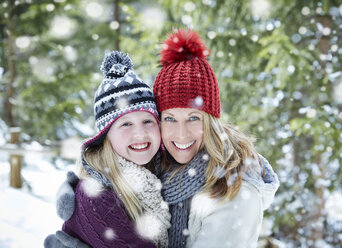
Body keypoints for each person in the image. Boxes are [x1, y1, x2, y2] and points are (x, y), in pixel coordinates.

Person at [47, 29, 279, 248]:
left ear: (211, 120)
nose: (181, 133)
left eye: (193, 118)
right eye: (169, 119)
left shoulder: (233, 191)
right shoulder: (163, 171)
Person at [44, 51, 171, 248]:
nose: (140, 133)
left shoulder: (157, 176)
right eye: (125, 124)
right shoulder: (99, 199)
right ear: (105, 136)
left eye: (148, 121)